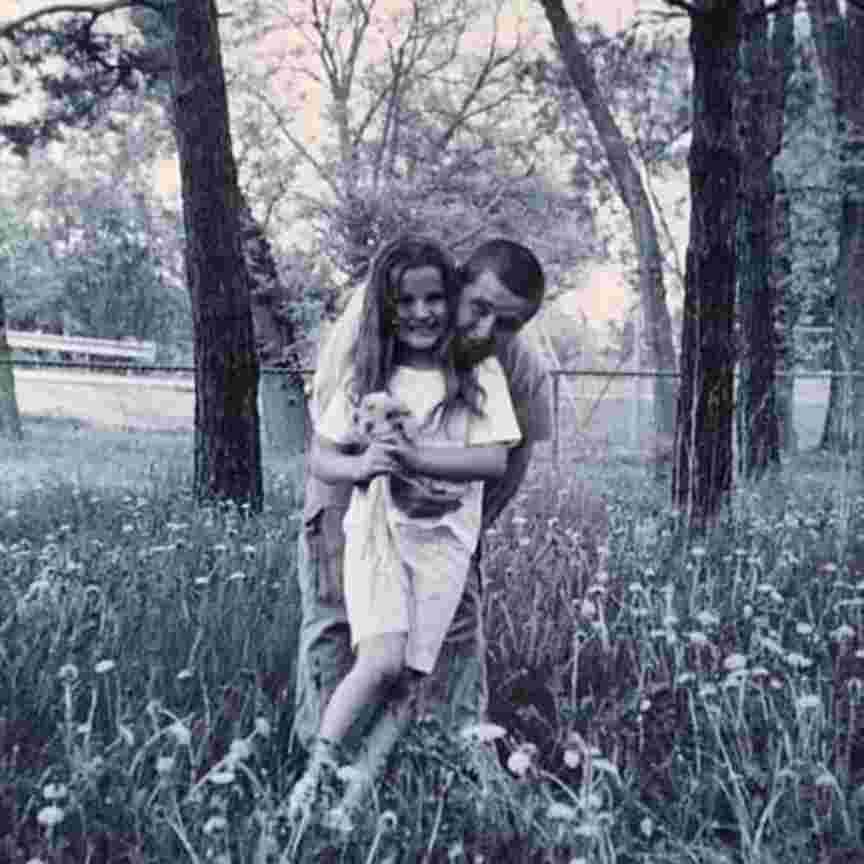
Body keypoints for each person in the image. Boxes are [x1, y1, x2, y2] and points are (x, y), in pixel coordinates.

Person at [292, 236, 551, 793]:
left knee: (445, 639)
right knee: (341, 620)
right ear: (457, 283)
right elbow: (330, 441)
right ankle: (318, 765)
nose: (486, 332)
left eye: (505, 324)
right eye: (478, 309)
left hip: (448, 521)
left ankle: (439, 766)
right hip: (355, 496)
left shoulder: (512, 367)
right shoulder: (375, 325)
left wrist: (465, 524)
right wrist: (381, 480)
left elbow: (511, 457)